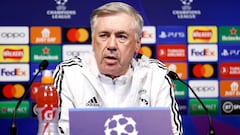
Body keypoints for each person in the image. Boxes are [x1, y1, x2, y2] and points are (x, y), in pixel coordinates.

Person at [53, 2, 183, 135]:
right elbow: (57, 131)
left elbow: (172, 132)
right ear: (92, 40)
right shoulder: (70, 73)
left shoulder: (156, 74)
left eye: (121, 36)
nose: (111, 45)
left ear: (137, 43)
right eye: (104, 35)